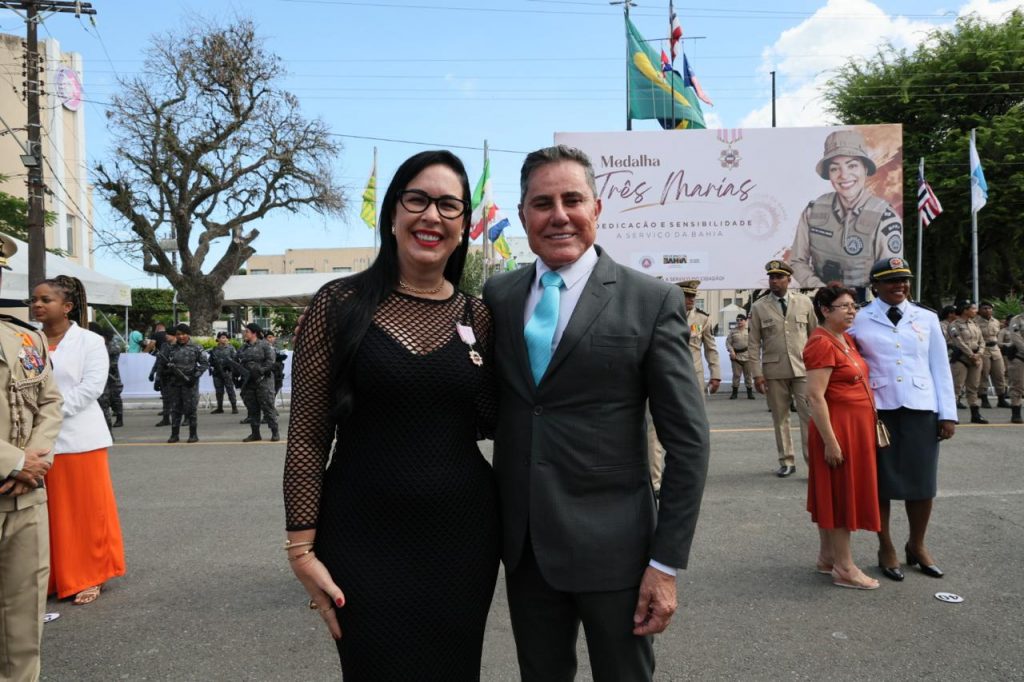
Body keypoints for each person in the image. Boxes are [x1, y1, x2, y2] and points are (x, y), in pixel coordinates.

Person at [483, 145, 710, 681]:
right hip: (525, 548)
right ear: (523, 215)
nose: (558, 215)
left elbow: (689, 442)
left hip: (618, 554)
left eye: (572, 199)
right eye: (542, 203)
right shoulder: (498, 295)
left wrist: (665, 563)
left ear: (597, 208)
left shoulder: (650, 300)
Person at [283, 150, 500, 679]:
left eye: (450, 206)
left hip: (463, 535)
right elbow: (309, 436)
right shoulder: (339, 303)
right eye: (418, 199)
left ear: (464, 225)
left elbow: (495, 419)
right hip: (361, 534)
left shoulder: (480, 315)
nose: (433, 216)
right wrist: (300, 549)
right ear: (393, 212)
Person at [849, 257, 958, 581]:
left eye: (904, 280)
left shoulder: (926, 318)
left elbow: (940, 367)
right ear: (875, 286)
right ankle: (886, 546)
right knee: (880, 484)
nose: (900, 286)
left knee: (922, 485)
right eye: (892, 281)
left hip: (921, 408)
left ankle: (918, 544)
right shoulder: (860, 319)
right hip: (879, 410)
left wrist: (947, 413)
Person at [30, 275, 125, 605]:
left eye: (45, 300)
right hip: (36, 441)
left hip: (79, 438)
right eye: (35, 300)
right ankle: (54, 576)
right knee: (48, 514)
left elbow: (91, 388)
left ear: (67, 307)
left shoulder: (89, 341)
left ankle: (90, 574)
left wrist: (48, 415)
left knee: (85, 511)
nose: (37, 305)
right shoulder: (27, 340)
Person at [0, 234, 63, 681]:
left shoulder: (23, 338)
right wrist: (13, 462)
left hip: (26, 498)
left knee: (23, 616)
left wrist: (32, 462)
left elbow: (50, 403)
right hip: (16, 475)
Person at [803, 285, 881, 590]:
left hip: (852, 428)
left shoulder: (844, 338)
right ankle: (845, 568)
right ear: (825, 310)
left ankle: (828, 557)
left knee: (834, 493)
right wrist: (831, 441)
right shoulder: (821, 343)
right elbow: (815, 396)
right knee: (839, 495)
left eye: (854, 306)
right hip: (837, 430)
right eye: (844, 306)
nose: (852, 311)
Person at [790, 129, 902, 290]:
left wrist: (853, 301)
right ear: (828, 174)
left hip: (865, 306)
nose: (844, 175)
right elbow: (797, 261)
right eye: (835, 168)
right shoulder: (813, 211)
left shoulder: (884, 217)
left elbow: (891, 274)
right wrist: (821, 290)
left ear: (865, 168)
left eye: (852, 166)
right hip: (822, 301)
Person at [648, 279, 718, 498]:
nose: (689, 300)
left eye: (692, 297)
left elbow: (711, 348)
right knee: (654, 430)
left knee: (693, 428)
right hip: (662, 377)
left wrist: (715, 374)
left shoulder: (702, 319)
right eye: (686, 296)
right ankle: (655, 481)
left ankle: (688, 478)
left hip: (692, 380)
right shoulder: (659, 314)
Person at [749, 260, 817, 477]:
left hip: (803, 369)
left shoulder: (805, 302)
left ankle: (813, 464)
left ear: (789, 279)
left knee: (809, 417)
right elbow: (753, 343)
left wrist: (819, 369)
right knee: (780, 417)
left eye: (779, 277)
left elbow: (815, 336)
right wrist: (757, 374)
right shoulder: (759, 306)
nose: (774, 281)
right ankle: (786, 460)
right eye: (771, 277)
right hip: (774, 371)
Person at [155, 324, 209, 443]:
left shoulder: (196, 347)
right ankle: (175, 434)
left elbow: (205, 364)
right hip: (174, 383)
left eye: (183, 334)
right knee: (175, 409)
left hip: (190, 383)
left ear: (188, 334)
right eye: (178, 334)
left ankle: (193, 434)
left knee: (191, 410)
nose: (181, 337)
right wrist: (164, 373)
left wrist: (195, 377)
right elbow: (162, 364)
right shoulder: (171, 348)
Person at [235, 324, 278, 442]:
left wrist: (260, 371)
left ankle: (275, 432)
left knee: (267, 406)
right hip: (248, 382)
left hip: (263, 381)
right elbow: (237, 361)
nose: (245, 333)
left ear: (254, 333)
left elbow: (271, 361)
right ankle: (255, 434)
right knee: (252, 408)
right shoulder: (243, 348)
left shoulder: (265, 345)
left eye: (247, 331)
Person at [948, 300, 988, 424]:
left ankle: (975, 414)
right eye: (973, 309)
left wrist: (979, 353)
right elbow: (958, 342)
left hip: (976, 358)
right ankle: (951, 416)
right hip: (962, 358)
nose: (976, 311)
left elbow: (982, 340)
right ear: (965, 310)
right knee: (956, 387)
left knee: (973, 387)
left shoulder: (974, 324)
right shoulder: (954, 325)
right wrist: (971, 355)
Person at [976, 302, 1008, 408]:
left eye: (989, 308)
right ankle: (984, 399)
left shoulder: (996, 321)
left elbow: (998, 335)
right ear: (979, 310)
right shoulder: (975, 322)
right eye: (985, 308)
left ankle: (1001, 399)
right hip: (983, 350)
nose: (988, 310)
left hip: (995, 349)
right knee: (983, 375)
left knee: (1000, 374)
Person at [726, 313, 756, 400]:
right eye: (737, 320)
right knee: (736, 375)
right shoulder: (733, 331)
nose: (739, 322)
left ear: (745, 321)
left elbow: (755, 342)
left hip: (748, 356)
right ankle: (734, 393)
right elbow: (728, 343)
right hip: (736, 357)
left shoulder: (750, 330)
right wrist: (732, 352)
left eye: (741, 320)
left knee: (748, 375)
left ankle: (750, 393)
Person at [209, 331, 239, 414]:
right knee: (219, 391)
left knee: (230, 389)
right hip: (217, 373)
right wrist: (214, 363)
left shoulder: (231, 348)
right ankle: (220, 407)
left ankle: (234, 407)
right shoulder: (214, 349)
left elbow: (235, 360)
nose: (224, 339)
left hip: (227, 372)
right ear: (218, 339)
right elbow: (210, 361)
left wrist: (229, 365)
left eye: (225, 337)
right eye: (222, 337)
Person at [1004, 312, 1024, 424]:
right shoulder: (1017, 320)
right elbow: (1016, 338)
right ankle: (1016, 413)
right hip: (1019, 356)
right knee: (1018, 385)